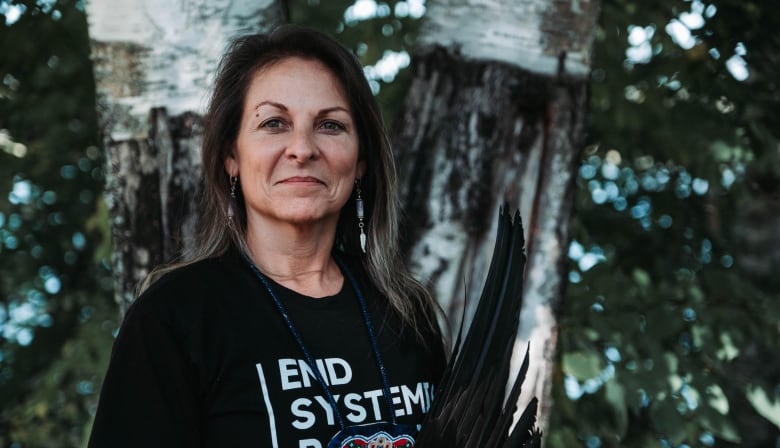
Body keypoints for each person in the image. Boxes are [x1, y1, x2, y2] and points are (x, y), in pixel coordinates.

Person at [88, 25, 445, 448]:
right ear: (231, 156)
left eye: (330, 125)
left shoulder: (406, 311)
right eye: (274, 123)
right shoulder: (175, 318)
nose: (302, 148)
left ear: (361, 160)